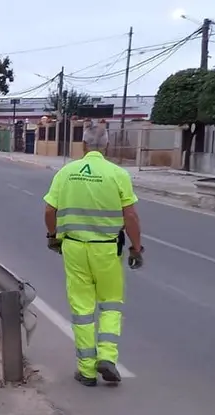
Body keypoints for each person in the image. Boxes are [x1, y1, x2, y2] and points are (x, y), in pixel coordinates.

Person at [43, 123, 144, 387]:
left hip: (74, 248)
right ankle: (107, 357)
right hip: (108, 249)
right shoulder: (117, 174)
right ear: (107, 145)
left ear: (84, 145)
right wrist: (136, 247)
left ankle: (86, 370)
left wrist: (53, 237)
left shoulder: (66, 172)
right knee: (111, 304)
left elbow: (49, 211)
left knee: (82, 308)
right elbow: (130, 215)